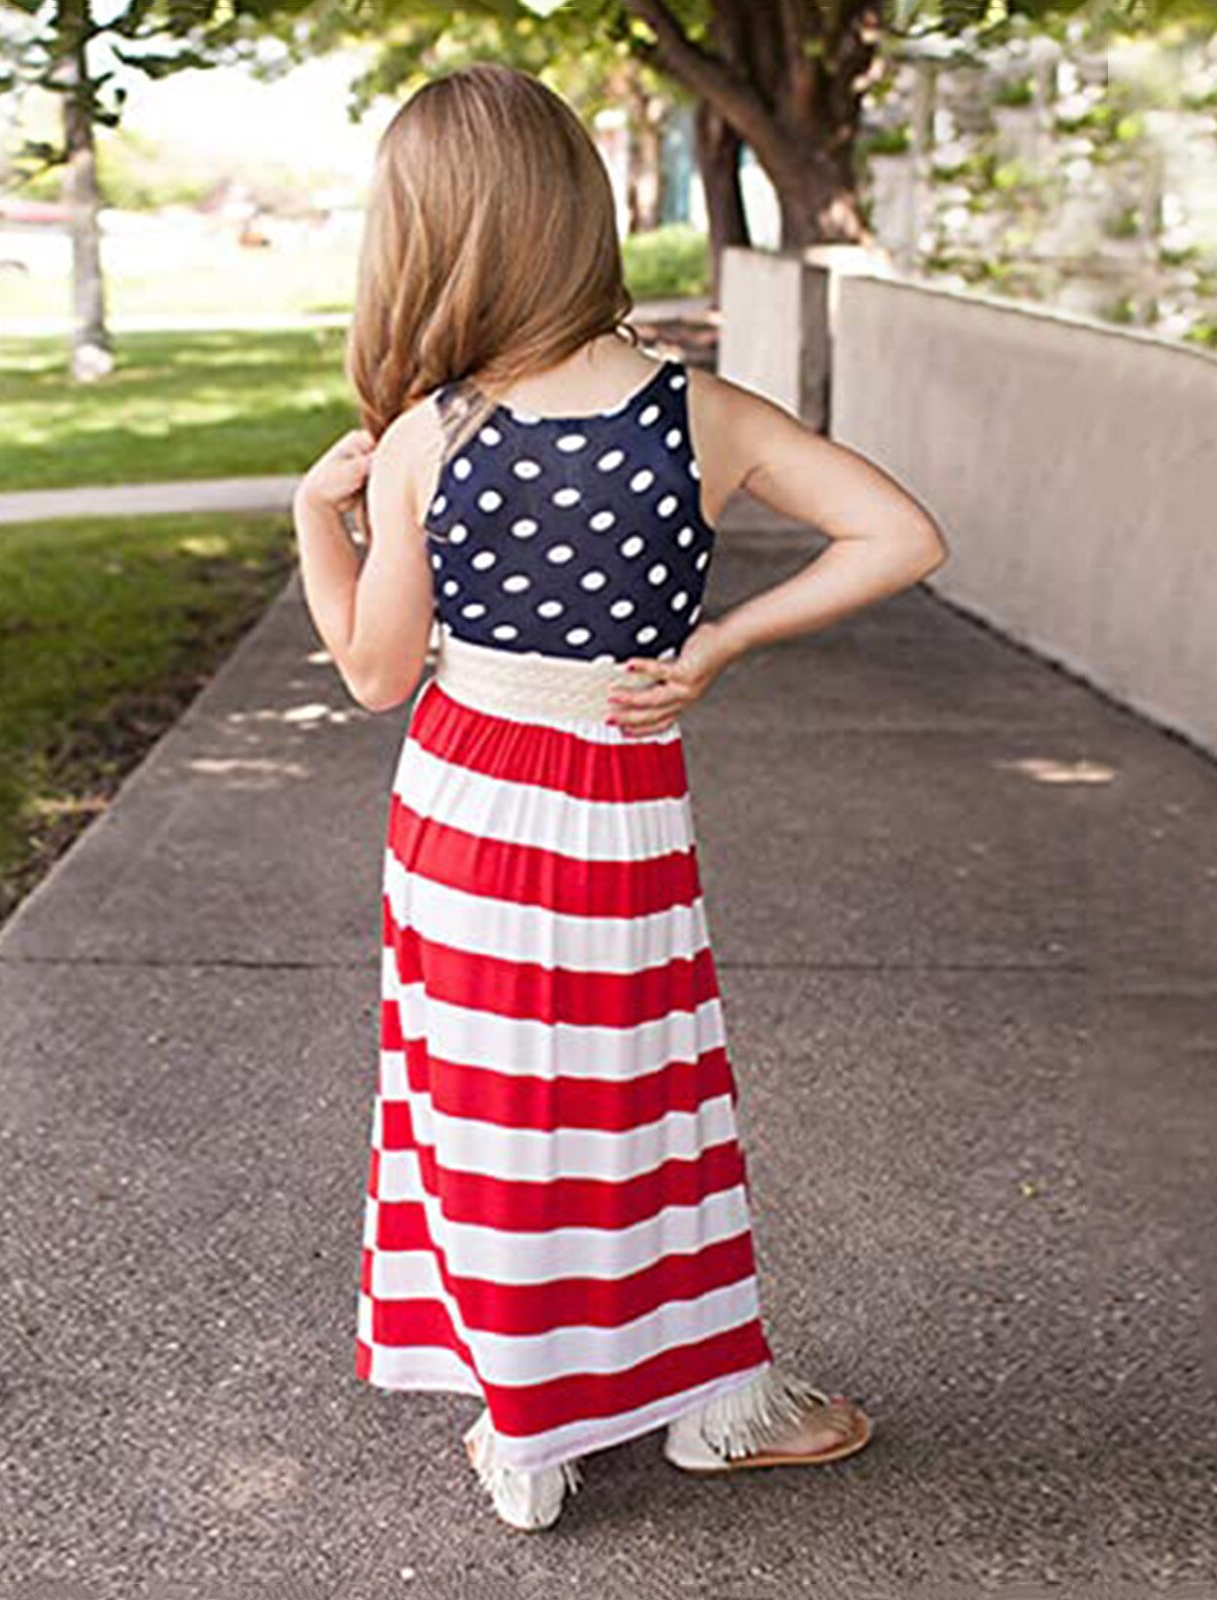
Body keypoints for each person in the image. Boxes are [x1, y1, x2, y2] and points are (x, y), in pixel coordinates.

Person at [293, 62, 949, 1533]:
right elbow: (900, 534)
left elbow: (373, 676)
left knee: (481, 1105)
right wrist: (717, 642)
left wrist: (313, 526)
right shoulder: (694, 413)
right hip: (619, 813)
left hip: (461, 811)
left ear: (428, 238)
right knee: (638, 1105)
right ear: (579, 216)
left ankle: (522, 1429)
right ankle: (715, 1401)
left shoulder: (424, 440)